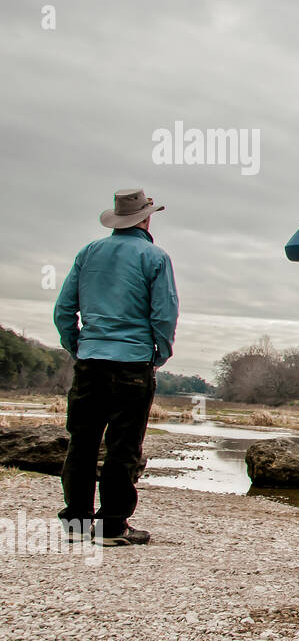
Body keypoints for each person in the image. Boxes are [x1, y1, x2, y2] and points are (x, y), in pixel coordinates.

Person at [53, 189, 179, 546]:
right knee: (123, 446)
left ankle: (77, 524)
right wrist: (159, 353)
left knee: (82, 443)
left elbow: (64, 309)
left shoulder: (88, 253)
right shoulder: (155, 257)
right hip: (133, 364)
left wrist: (76, 345)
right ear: (146, 218)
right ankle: (112, 526)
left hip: (91, 360)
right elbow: (164, 313)